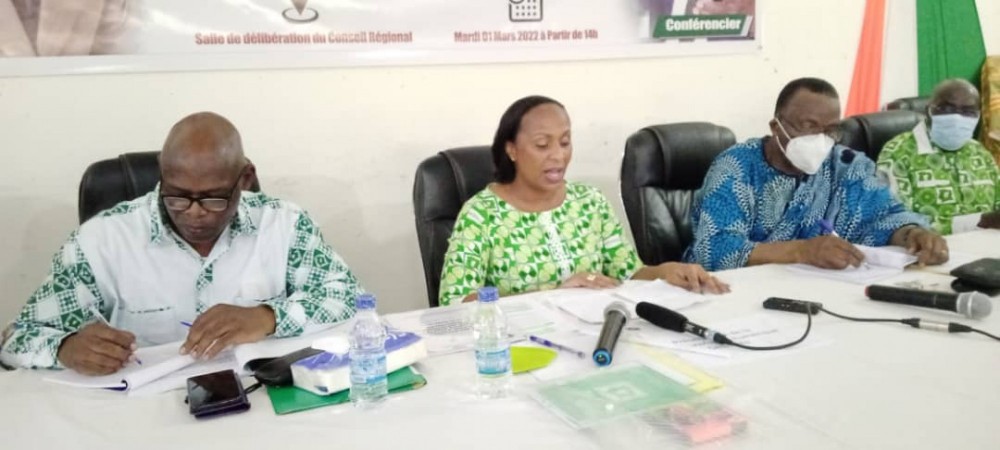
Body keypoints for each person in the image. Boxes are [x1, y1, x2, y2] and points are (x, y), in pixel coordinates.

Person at [0, 112, 362, 375]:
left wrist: (268, 317)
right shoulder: (102, 241)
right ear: (162, 175)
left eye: (213, 198)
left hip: (261, 407)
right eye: (177, 197)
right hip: (141, 419)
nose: (194, 213)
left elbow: (349, 299)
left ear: (245, 179)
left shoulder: (285, 225)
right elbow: (16, 339)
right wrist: (64, 348)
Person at [437, 95, 729, 306]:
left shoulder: (590, 201)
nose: (558, 155)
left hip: (593, 336)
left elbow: (629, 272)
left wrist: (666, 272)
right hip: (519, 346)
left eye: (565, 142)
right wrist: (553, 295)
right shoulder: (481, 214)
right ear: (511, 150)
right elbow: (456, 302)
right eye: (542, 145)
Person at [684, 77, 949, 271]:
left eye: (830, 129)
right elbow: (715, 250)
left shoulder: (845, 165)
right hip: (734, 292)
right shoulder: (737, 168)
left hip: (818, 289)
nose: (820, 139)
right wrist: (802, 250)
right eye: (809, 126)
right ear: (776, 127)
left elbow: (884, 217)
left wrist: (912, 235)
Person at [877, 79, 1000, 234]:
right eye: (947, 108)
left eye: (968, 112)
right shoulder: (898, 152)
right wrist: (980, 221)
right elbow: (894, 220)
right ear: (928, 111)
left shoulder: (980, 152)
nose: (957, 117)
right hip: (929, 247)